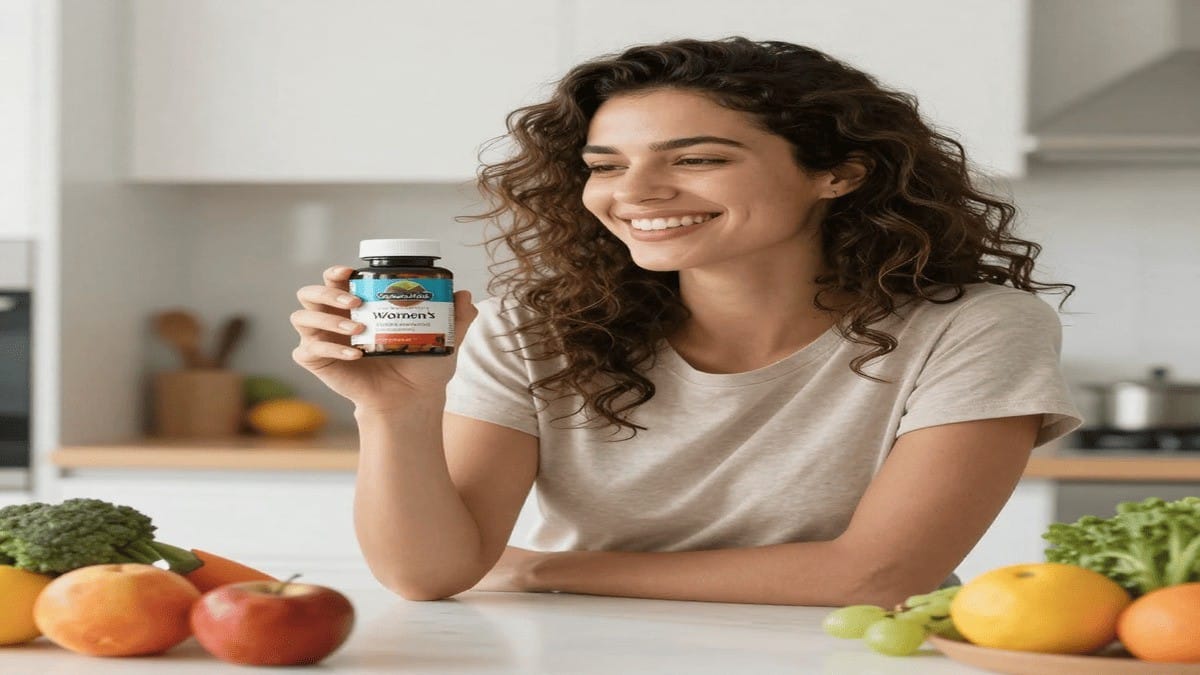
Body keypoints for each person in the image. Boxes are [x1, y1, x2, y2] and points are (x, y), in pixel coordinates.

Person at [290, 37, 1082, 607]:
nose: (635, 191)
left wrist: (542, 569)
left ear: (839, 172)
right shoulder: (533, 328)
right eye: (605, 165)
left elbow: (876, 577)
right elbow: (429, 573)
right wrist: (395, 409)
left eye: (697, 158)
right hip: (584, 649)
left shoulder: (976, 326)